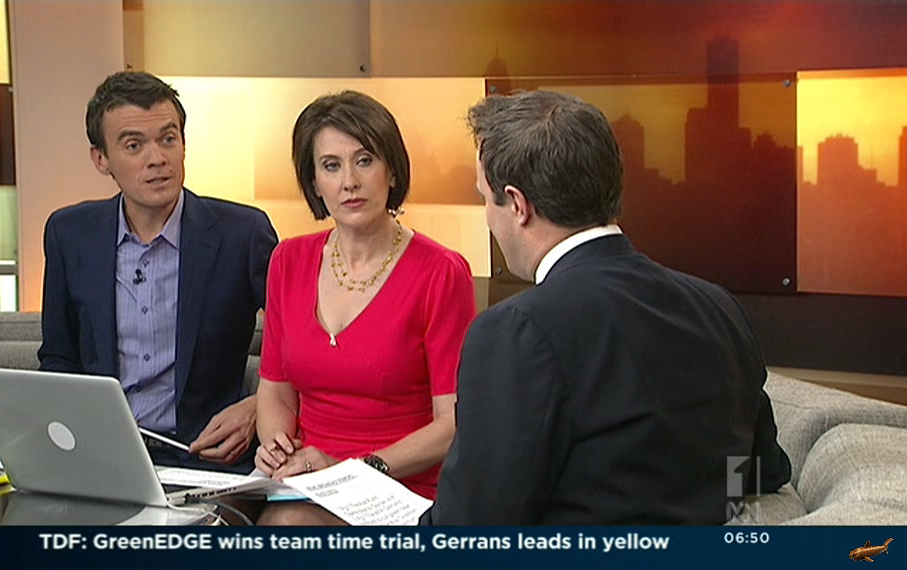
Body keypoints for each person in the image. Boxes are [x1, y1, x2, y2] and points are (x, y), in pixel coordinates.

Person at [422, 90, 791, 525]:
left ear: (518, 205)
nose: (488, 216)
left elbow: (469, 531)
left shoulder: (515, 330)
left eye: (485, 198)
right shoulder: (718, 306)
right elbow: (765, 470)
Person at [253, 90, 476, 525]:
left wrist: (354, 470)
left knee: (288, 528)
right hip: (308, 482)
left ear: (391, 171)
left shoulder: (442, 272)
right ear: (314, 182)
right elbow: (276, 390)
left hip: (399, 486)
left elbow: (453, 423)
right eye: (331, 166)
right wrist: (278, 446)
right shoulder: (288, 261)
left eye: (365, 160)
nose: (349, 181)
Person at [38, 71, 278, 472]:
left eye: (168, 139)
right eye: (134, 145)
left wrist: (258, 406)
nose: (157, 159)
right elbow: (58, 357)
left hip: (208, 459)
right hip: (101, 458)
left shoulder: (243, 234)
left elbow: (307, 350)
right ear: (101, 159)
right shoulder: (69, 233)